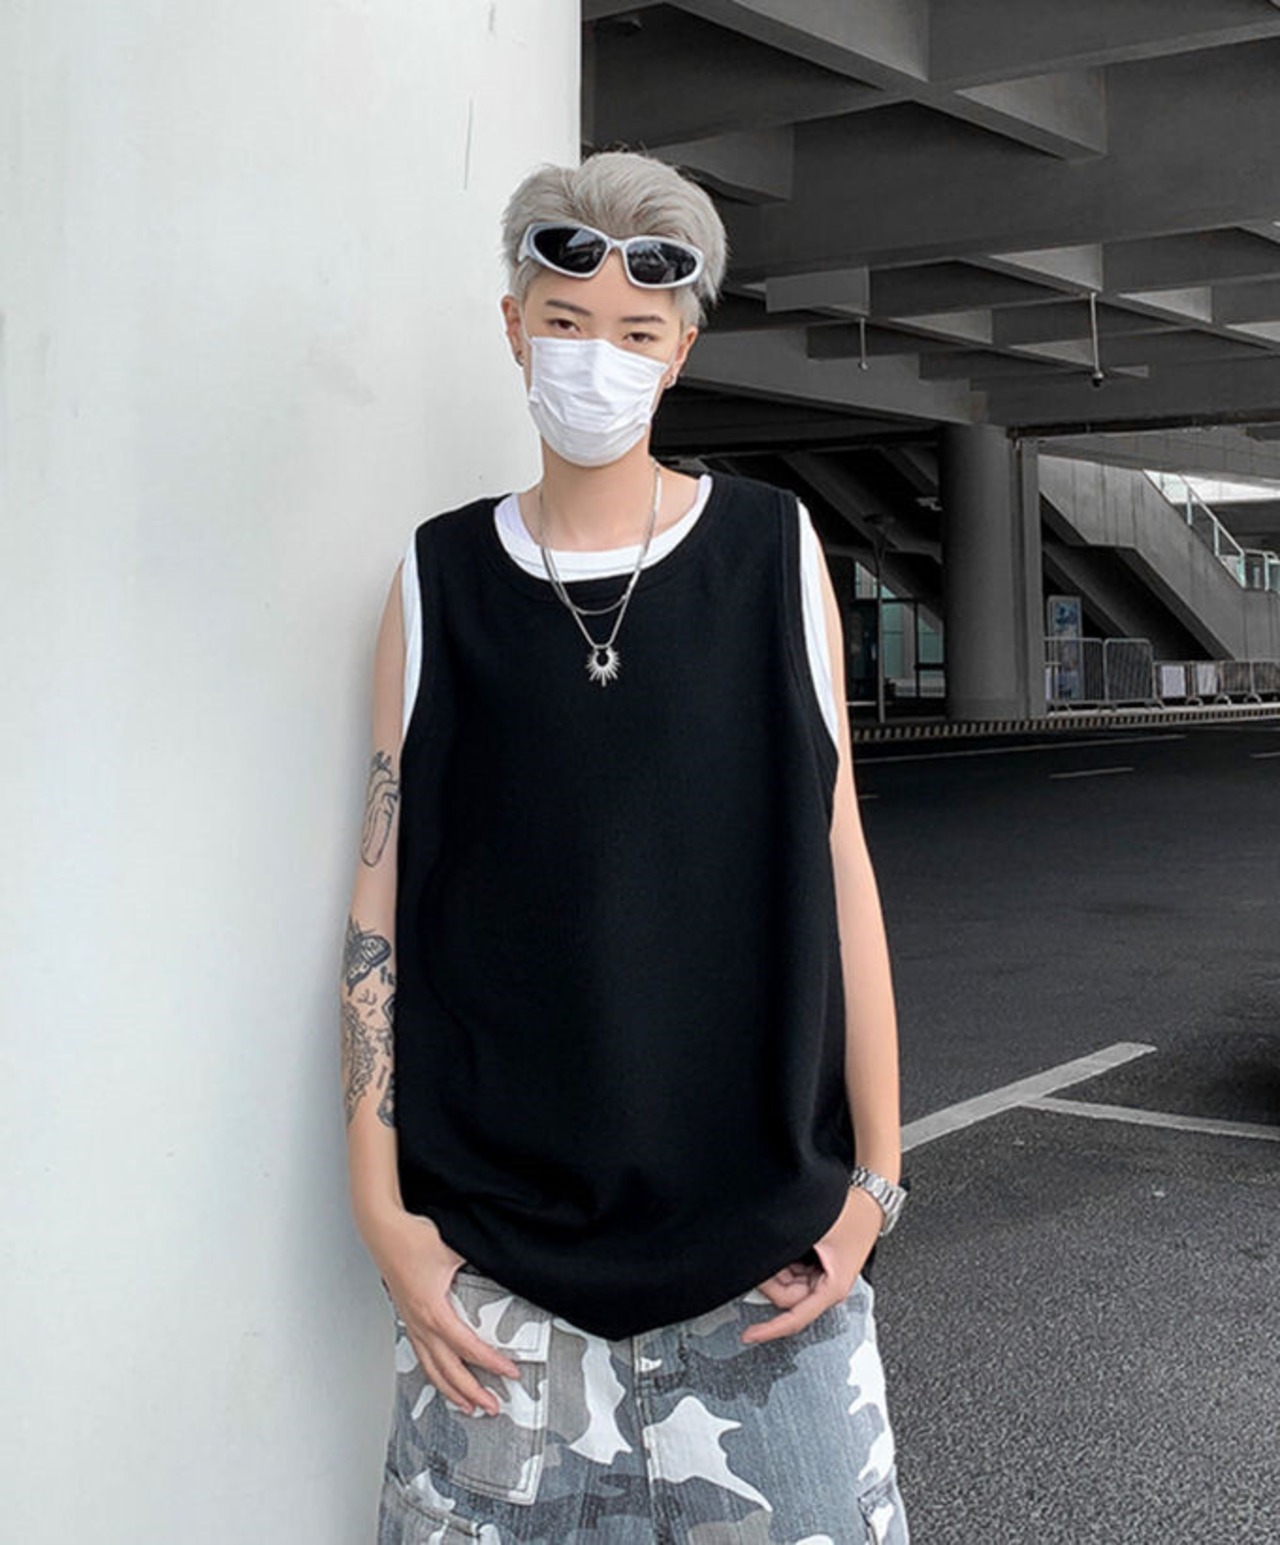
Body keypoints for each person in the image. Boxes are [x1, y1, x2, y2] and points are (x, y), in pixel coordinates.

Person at [341, 148, 910, 1544]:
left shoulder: (774, 551)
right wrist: (383, 1216)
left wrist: (876, 1187)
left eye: (637, 333)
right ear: (514, 326)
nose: (596, 358)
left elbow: (840, 862)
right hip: (499, 1299)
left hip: (767, 1279)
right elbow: (378, 910)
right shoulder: (437, 579)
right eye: (566, 321)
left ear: (681, 351)